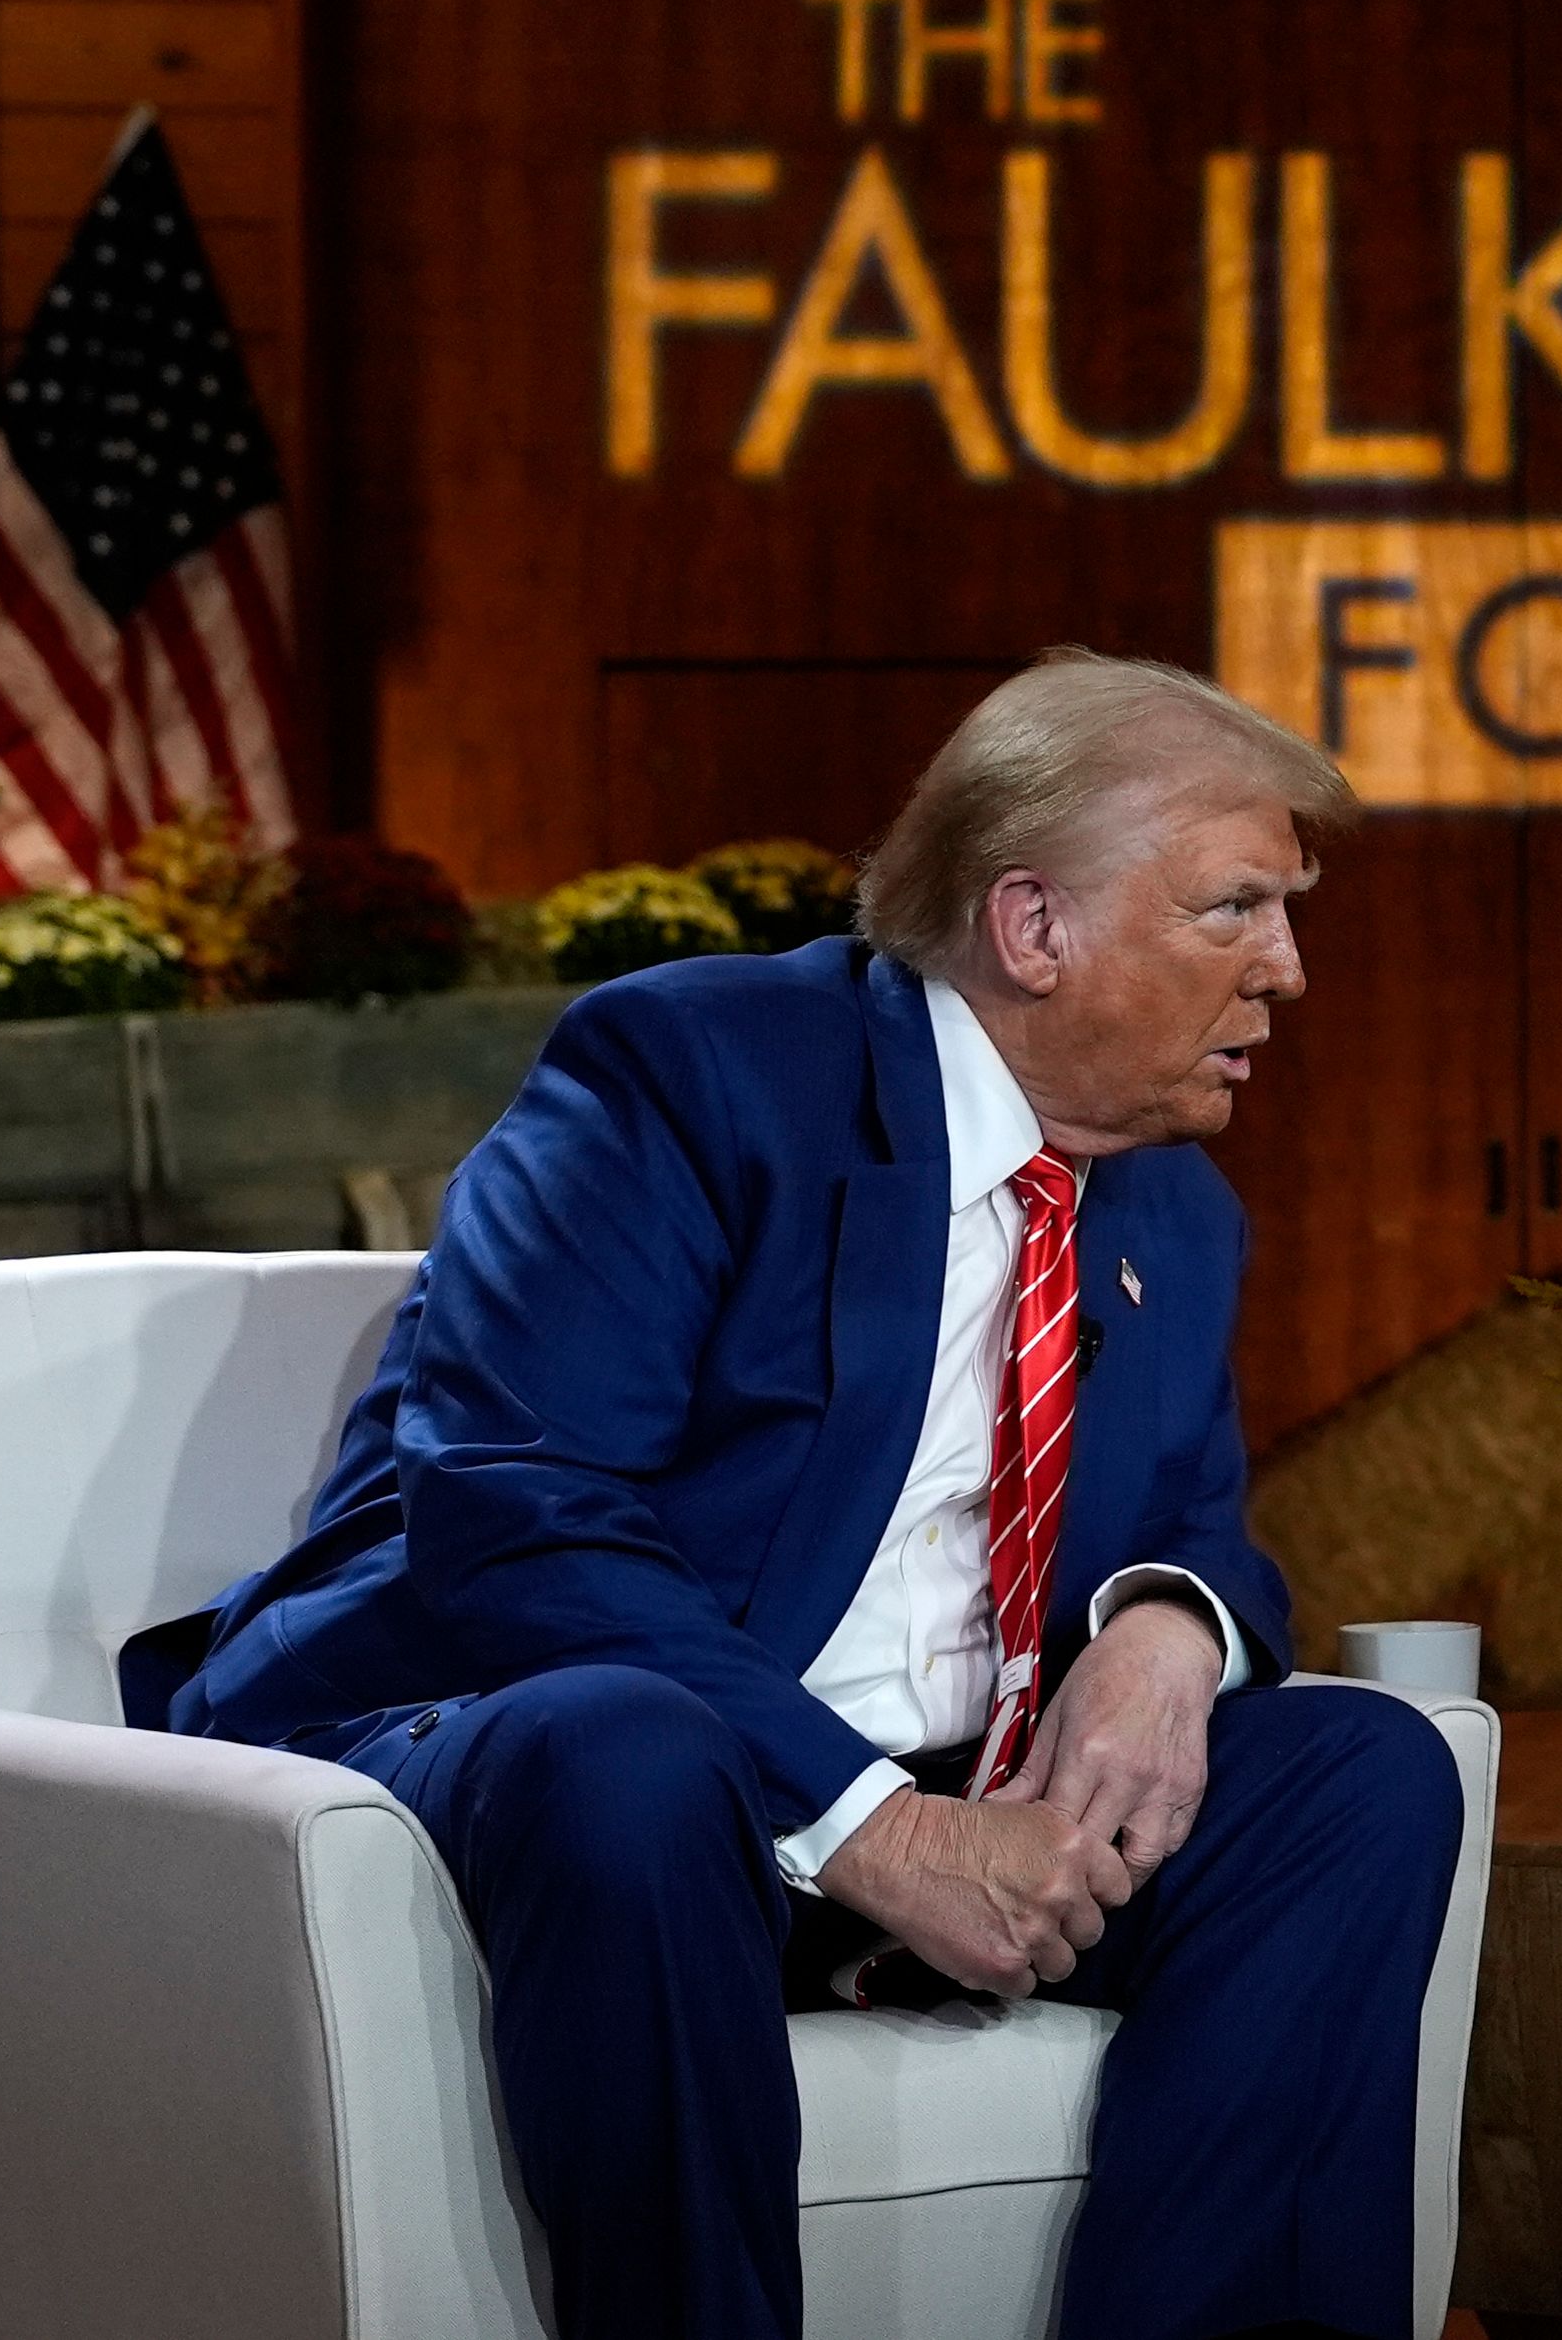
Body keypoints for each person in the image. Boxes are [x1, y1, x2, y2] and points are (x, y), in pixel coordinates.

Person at [127, 651, 1462, 2340]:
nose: (1287, 970)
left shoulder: (1172, 1211)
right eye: (1237, 909)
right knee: (628, 1746)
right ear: (1033, 926)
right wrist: (877, 1827)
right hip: (560, 1764)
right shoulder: (689, 1075)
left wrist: (1166, 1630)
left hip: (930, 1789)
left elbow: (1198, 1524)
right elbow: (517, 1507)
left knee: (1359, 1770)